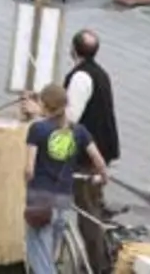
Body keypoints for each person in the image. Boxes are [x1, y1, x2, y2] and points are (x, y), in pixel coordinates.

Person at [23, 84, 109, 274]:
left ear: (44, 106)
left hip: (40, 199)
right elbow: (99, 161)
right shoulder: (79, 131)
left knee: (39, 254)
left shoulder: (37, 130)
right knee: (53, 245)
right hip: (63, 198)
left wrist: (26, 181)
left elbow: (29, 168)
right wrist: (102, 177)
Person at [64, 29, 121, 269]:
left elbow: (71, 117)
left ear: (73, 50)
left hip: (88, 153)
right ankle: (102, 255)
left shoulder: (80, 77)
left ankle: (98, 265)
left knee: (87, 212)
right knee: (93, 204)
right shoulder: (100, 73)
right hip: (103, 147)